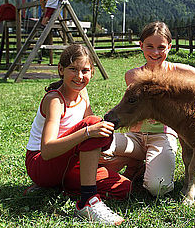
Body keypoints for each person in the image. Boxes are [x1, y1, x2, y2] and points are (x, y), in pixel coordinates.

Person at [100, 21, 195, 197]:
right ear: (141, 46)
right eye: (150, 46)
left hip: (162, 136)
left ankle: (140, 164)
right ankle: (137, 162)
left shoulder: (178, 71)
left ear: (169, 47)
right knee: (98, 147)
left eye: (161, 47)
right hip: (135, 137)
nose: (155, 52)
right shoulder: (132, 76)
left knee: (158, 187)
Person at [25, 44, 130, 225]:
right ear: (61, 70)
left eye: (85, 70)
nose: (79, 76)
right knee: (94, 124)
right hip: (41, 163)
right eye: (73, 69)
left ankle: (57, 187)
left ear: (92, 72)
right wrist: (88, 132)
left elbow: (90, 138)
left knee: (124, 188)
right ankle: (87, 202)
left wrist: (97, 146)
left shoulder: (83, 93)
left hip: (68, 161)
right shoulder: (55, 100)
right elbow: (47, 150)